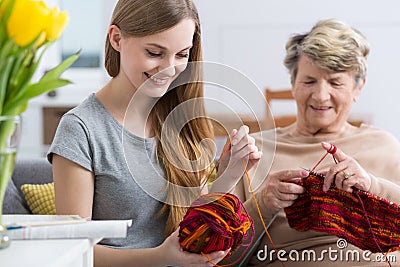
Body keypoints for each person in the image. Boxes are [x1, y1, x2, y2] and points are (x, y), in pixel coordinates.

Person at [47, 0, 261, 266]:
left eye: (181, 55)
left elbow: (188, 224)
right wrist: (160, 257)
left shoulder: (179, 119)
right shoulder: (81, 129)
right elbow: (74, 250)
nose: (169, 69)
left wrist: (228, 174)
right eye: (155, 53)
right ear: (117, 38)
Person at [222, 18, 400, 266]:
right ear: (293, 84)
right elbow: (221, 258)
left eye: (336, 82)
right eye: (309, 81)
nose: (320, 95)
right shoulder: (253, 153)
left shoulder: (383, 145)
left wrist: (372, 185)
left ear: (358, 88)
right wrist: (263, 204)